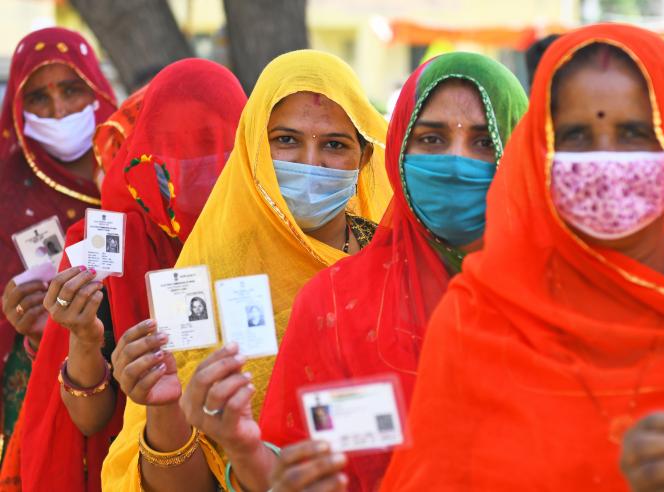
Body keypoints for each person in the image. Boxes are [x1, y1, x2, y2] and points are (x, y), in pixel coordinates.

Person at [379, 24, 664, 491]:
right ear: (540, 155)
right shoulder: (480, 318)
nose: (605, 160)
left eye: (633, 133)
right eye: (577, 136)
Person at [191, 52, 528, 492]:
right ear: (400, 156)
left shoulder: (574, 301)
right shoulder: (336, 303)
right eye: (431, 139)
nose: (455, 163)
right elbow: (295, 471)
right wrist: (242, 448)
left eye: (484, 142)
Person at [102, 50, 392, 492]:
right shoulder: (213, 271)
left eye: (335, 144)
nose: (310, 163)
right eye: (286, 140)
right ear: (254, 146)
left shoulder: (392, 263)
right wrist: (163, 409)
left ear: (365, 157)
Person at [17, 59, 246, 492]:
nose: (197, 179)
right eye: (175, 159)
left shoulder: (271, 236)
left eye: (215, 155)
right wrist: (85, 336)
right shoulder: (105, 245)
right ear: (145, 153)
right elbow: (88, 420)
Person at [0, 27, 116, 461]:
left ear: (96, 91)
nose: (59, 110)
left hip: (128, 366)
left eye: (72, 90)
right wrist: (16, 316)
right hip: (34, 373)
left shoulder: (130, 170)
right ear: (17, 105)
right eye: (38, 99)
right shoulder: (7, 185)